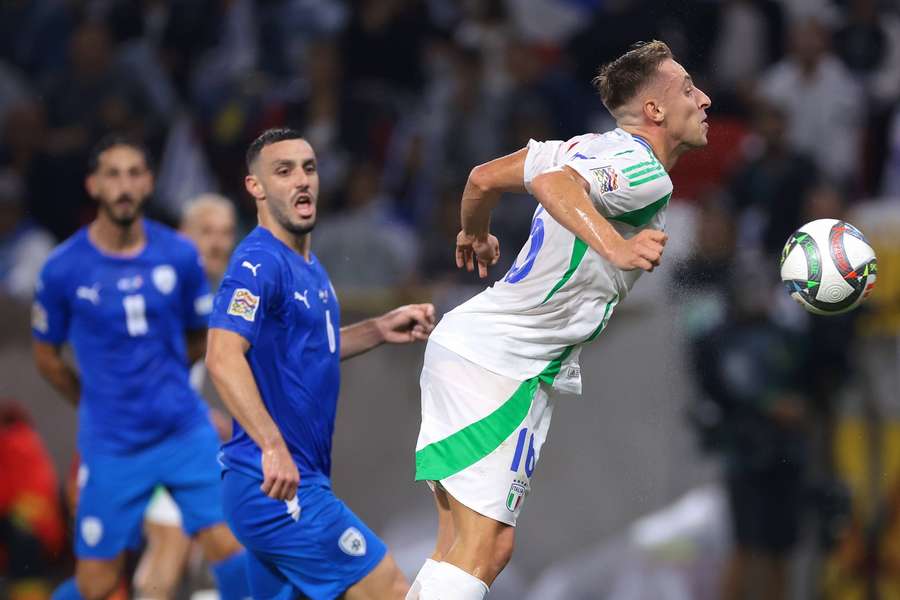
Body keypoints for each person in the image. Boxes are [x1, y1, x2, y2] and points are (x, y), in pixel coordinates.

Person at [406, 40, 712, 598]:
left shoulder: (583, 145)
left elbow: (480, 178)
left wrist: (473, 230)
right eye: (689, 89)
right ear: (656, 111)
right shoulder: (643, 170)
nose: (706, 98)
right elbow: (555, 187)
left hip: (482, 349)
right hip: (500, 364)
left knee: (461, 548)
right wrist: (615, 248)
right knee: (485, 548)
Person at [205, 127, 436, 600]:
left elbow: (311, 349)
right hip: (274, 484)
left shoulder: (310, 268)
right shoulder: (257, 262)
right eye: (283, 171)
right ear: (256, 187)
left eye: (308, 168)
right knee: (388, 587)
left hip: (287, 482)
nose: (302, 181)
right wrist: (271, 444)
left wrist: (376, 329)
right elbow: (221, 355)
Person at [31, 135, 251, 600]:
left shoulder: (178, 255)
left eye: (135, 174)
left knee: (227, 543)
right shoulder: (63, 268)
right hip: (113, 445)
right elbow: (46, 356)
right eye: (113, 174)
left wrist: (165, 381)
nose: (124, 186)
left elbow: (200, 339)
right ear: (93, 185)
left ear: (149, 183)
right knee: (97, 582)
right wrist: (90, 399)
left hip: (182, 433)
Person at [132, 193, 240, 600]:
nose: (217, 242)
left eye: (226, 233)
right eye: (206, 232)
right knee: (204, 546)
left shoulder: (199, 291)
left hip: (164, 434)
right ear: (182, 235)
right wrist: (200, 418)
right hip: (158, 437)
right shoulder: (170, 291)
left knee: (171, 550)